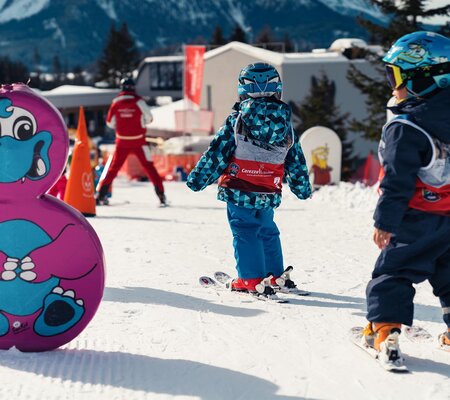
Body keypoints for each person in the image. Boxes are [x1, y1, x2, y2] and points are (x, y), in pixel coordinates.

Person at [187, 63, 311, 297]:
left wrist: (197, 179)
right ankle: (274, 275)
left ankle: (251, 279)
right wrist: (302, 188)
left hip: (239, 187)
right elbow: (296, 159)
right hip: (268, 188)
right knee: (267, 229)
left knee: (245, 230)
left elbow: (217, 152)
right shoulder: (286, 125)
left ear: (243, 90)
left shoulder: (237, 120)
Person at [363, 31, 450, 365]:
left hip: (415, 219)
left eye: (396, 77)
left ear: (425, 79)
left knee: (393, 274)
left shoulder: (407, 127)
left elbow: (397, 183)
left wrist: (385, 223)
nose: (393, 87)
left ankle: (384, 332)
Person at [96, 77, 167, 206]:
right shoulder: (139, 101)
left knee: (113, 169)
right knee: (149, 168)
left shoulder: (116, 102)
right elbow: (149, 118)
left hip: (122, 142)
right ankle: (161, 195)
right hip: (139, 141)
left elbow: (109, 123)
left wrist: (122, 125)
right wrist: (139, 123)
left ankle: (101, 195)